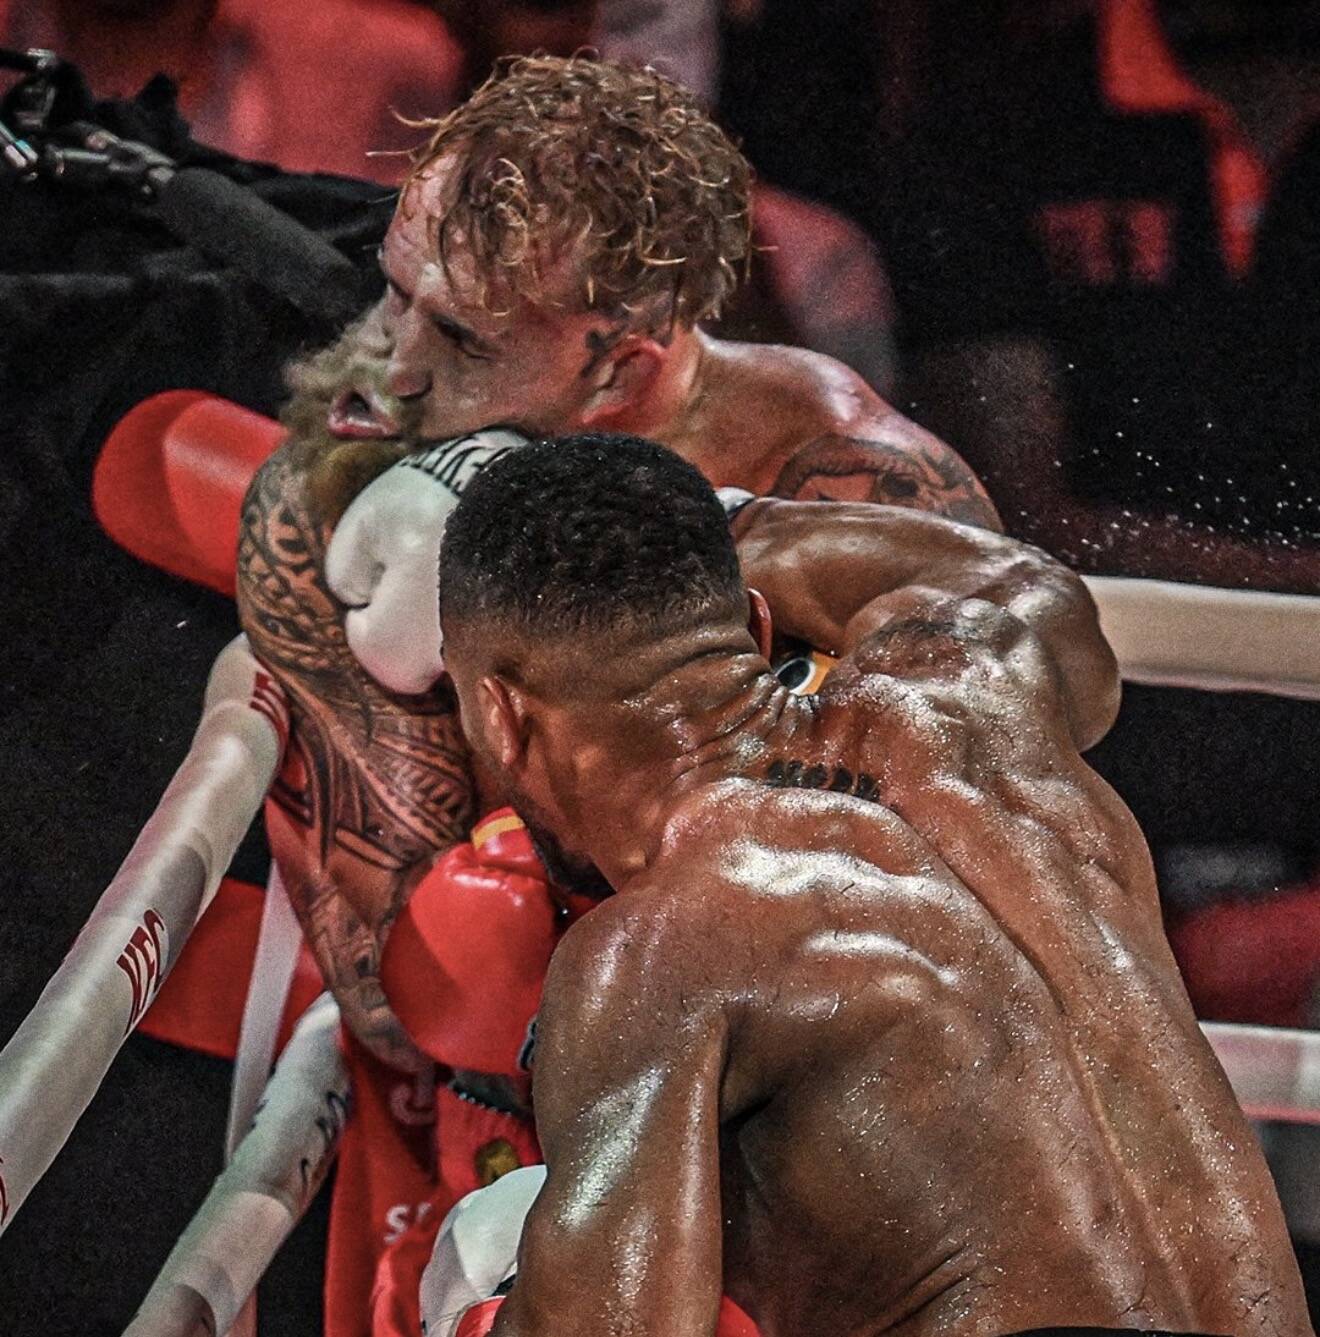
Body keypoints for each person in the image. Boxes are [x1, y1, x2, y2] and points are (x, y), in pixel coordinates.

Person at [432, 433, 1310, 1337]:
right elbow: (1030, 583)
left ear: (500, 718)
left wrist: (471, 1313)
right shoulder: (978, 705)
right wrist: (736, 524)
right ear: (759, 628)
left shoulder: (655, 953)